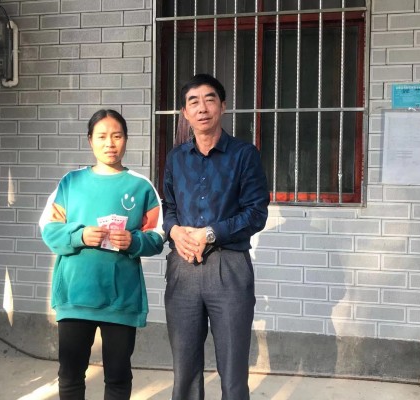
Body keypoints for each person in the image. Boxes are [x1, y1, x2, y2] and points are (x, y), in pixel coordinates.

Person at [39, 109, 165, 400]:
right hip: (75, 296)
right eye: (102, 136)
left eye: (117, 136)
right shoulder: (71, 183)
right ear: (90, 140)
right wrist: (79, 235)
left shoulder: (140, 186)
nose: (110, 143)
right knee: (70, 375)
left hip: (121, 298)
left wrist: (133, 241)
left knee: (118, 376)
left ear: (126, 140)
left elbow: (159, 235)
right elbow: (48, 228)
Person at [162, 74, 270, 400]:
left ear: (223, 106)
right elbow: (168, 207)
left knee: (233, 373)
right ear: (185, 113)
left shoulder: (244, 155)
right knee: (184, 371)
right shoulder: (176, 158)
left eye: (209, 99)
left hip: (229, 266)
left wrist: (210, 233)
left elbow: (256, 213)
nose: (202, 108)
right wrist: (174, 230)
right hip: (183, 267)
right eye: (193, 102)